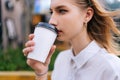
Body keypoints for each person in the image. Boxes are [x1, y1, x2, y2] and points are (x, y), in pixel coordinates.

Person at [23, 0, 120, 80]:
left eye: (62, 11)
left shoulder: (111, 68)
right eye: (51, 12)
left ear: (87, 15)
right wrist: (41, 72)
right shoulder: (61, 60)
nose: (51, 21)